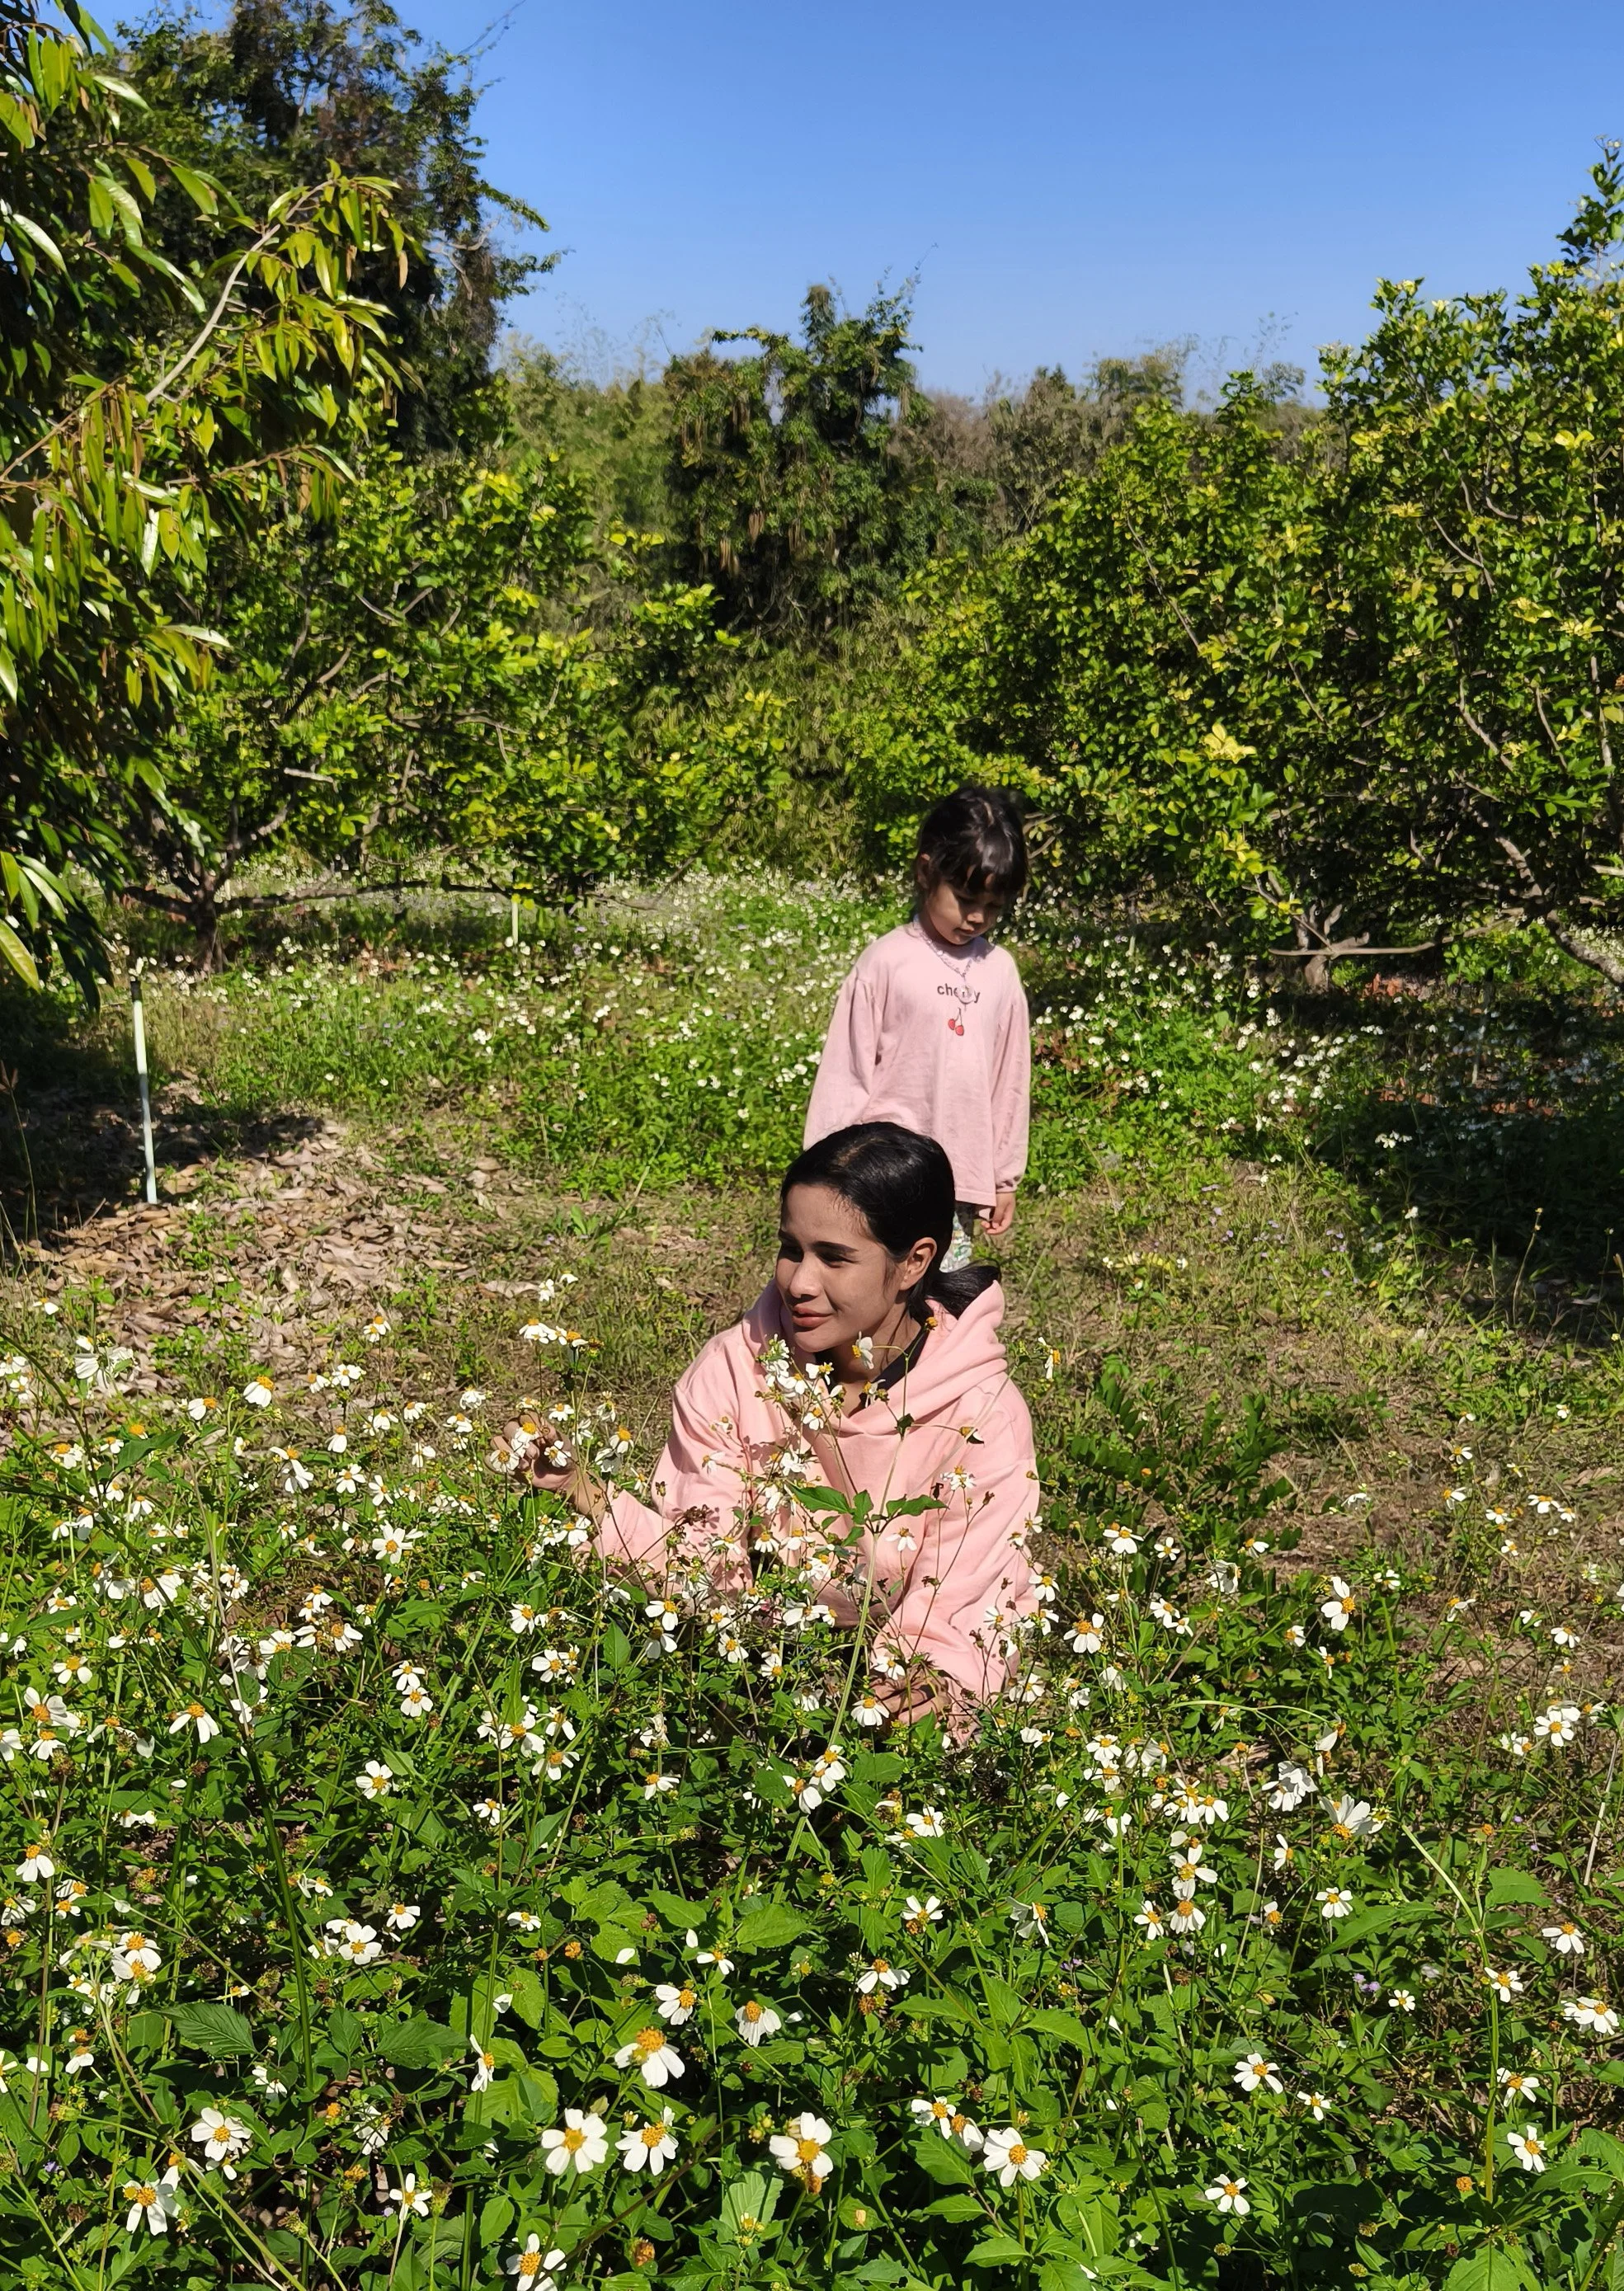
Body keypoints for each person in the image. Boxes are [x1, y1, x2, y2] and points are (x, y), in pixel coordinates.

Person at [508, 1123, 1040, 1723]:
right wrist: (583, 1491)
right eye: (791, 1249)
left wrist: (924, 1682)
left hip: (919, 1656)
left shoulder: (977, 1412)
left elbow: (964, 1588)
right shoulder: (737, 1368)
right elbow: (702, 1559)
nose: (798, 1284)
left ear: (914, 1261)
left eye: (834, 1258)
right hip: (777, 1648)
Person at [803, 785, 1030, 1271]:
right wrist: (823, 1168)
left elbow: (1009, 1082)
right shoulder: (886, 962)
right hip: (881, 1174)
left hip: (958, 1181)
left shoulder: (1001, 972)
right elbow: (847, 1071)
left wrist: (1003, 1177)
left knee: (939, 1298)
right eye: (966, 897)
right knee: (872, 1291)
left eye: (993, 907)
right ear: (927, 872)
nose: (976, 918)